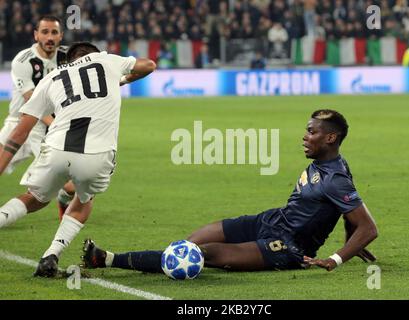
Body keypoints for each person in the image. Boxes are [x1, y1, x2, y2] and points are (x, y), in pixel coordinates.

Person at [81, 110, 378, 274]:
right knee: (189, 242)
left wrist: (336, 257)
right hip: (270, 221)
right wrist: (350, 238)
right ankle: (134, 260)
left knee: (202, 254)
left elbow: (368, 226)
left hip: (286, 246)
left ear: (330, 137)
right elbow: (349, 211)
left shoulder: (336, 178)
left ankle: (106, 259)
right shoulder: (333, 166)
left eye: (312, 132)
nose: (304, 136)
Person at [0, 42, 157, 277]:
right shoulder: (107, 61)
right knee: (84, 200)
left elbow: (20, 132)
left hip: (56, 149)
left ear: (68, 61)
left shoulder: (52, 77)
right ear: (96, 54)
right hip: (96, 156)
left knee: (34, 198)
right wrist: (120, 80)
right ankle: (51, 255)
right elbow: (148, 65)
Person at [0, 16, 75, 220]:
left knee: (70, 186)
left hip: (48, 128)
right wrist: (58, 123)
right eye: (44, 32)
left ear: (61, 35)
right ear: (36, 35)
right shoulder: (23, 60)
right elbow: (32, 103)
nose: (49, 37)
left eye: (54, 32)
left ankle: (62, 199)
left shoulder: (69, 57)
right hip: (20, 121)